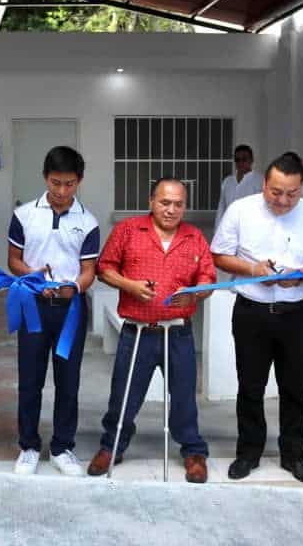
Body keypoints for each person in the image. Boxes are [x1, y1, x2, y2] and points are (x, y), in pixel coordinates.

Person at [212, 153, 303, 485]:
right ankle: (248, 452)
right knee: (250, 386)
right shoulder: (241, 210)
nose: (283, 200)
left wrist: (300, 275)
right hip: (252, 312)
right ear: (264, 183)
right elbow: (220, 255)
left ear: (301, 188)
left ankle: (294, 455)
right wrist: (254, 270)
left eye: (291, 194)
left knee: (294, 388)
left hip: (296, 314)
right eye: (276, 192)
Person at [87, 178, 216, 482]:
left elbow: (209, 278)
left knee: (184, 397)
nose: (171, 210)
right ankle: (112, 446)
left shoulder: (194, 237)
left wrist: (196, 292)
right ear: (151, 201)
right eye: (164, 202)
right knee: (124, 394)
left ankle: (193, 452)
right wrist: (129, 285)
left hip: (178, 334)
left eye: (178, 204)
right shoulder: (128, 230)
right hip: (139, 332)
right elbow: (104, 268)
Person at [8, 146, 99, 477]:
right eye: (56, 183)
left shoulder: (88, 221)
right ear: (45, 178)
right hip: (32, 306)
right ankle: (29, 446)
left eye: (70, 184)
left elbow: (90, 269)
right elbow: (13, 261)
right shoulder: (24, 215)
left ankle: (63, 447)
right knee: (30, 381)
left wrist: (75, 285)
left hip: (70, 310)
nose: (62, 192)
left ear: (80, 181)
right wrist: (32, 276)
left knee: (68, 381)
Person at [215, 144, 262, 229]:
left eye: (244, 159)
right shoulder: (227, 181)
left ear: (251, 160)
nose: (240, 163)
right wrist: (217, 230)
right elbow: (221, 208)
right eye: (237, 160)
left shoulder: (260, 181)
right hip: (229, 230)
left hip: (251, 229)